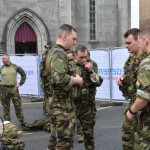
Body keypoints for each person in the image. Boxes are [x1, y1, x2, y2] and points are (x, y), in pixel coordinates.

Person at [45, 24, 83, 150]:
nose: (75, 42)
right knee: (64, 143)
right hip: (61, 107)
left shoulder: (52, 52)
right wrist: (76, 80)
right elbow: (59, 78)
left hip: (56, 104)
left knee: (55, 139)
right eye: (73, 39)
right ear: (65, 36)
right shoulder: (59, 53)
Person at [116, 28, 146, 150]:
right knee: (127, 139)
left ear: (138, 41)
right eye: (125, 43)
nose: (126, 46)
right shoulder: (130, 60)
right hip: (133, 104)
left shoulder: (146, 61)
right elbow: (128, 81)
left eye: (129, 43)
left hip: (143, 109)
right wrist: (121, 81)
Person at [126, 25, 150, 150]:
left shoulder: (147, 62)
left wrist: (131, 111)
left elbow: (143, 98)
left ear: (146, 41)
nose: (139, 45)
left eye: (139, 42)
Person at [74, 45, 100, 150]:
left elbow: (98, 82)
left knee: (89, 135)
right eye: (81, 57)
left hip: (88, 105)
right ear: (75, 55)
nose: (84, 60)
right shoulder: (69, 65)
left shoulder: (92, 64)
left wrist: (91, 71)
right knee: (66, 137)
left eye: (86, 57)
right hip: (72, 104)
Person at [0, 54, 28, 129]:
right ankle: (7, 124)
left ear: (8, 58)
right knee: (5, 107)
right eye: (1, 59)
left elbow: (23, 74)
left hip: (14, 89)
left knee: (17, 106)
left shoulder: (15, 67)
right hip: (4, 89)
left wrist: (20, 83)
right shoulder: (1, 67)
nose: (2, 60)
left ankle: (23, 123)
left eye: (3, 58)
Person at [87, 51, 103, 116]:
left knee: (91, 99)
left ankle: (93, 111)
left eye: (86, 57)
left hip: (91, 84)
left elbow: (96, 74)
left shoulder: (93, 63)